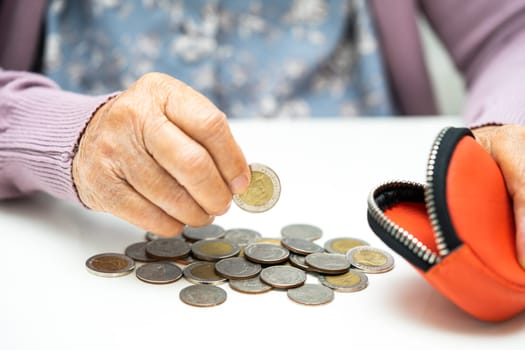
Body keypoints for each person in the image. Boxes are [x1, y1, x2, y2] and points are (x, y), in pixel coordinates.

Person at [2, 0, 525, 266]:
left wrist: (508, 122)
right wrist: (68, 135)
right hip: (63, 235)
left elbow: (509, 30)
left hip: (374, 219)